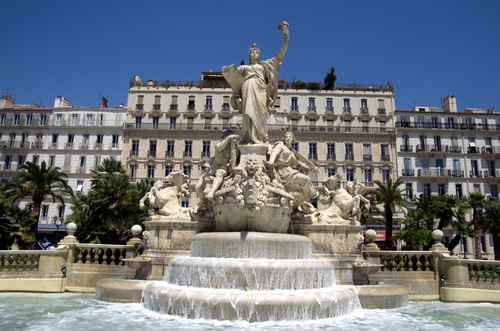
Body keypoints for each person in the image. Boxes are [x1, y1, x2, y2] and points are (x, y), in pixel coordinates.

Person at [223, 21, 289, 144]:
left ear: (259, 54)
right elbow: (234, 77)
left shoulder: (265, 65)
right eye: (251, 51)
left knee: (260, 115)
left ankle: (259, 138)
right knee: (248, 114)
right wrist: (228, 70)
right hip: (247, 89)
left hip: (260, 91)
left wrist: (286, 36)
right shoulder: (244, 68)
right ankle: (250, 138)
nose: (254, 52)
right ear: (249, 54)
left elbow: (280, 54)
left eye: (256, 51)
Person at [267, 131, 317, 211]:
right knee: (307, 180)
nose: (288, 138)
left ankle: (302, 203)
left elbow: (298, 164)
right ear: (284, 138)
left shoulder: (291, 151)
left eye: (290, 137)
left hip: (290, 171)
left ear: (293, 140)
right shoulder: (281, 145)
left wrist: (312, 169)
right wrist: (271, 162)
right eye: (286, 137)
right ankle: (313, 195)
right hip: (283, 171)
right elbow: (275, 153)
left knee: (302, 188)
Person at [206, 128, 240, 200]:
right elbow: (219, 147)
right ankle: (212, 192)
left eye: (226, 135)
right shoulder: (219, 145)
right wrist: (229, 138)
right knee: (220, 173)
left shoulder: (233, 148)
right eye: (225, 136)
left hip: (227, 167)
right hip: (218, 167)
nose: (224, 136)